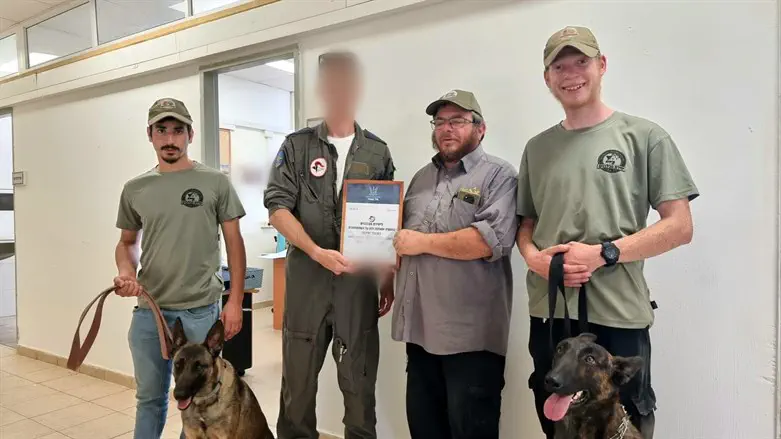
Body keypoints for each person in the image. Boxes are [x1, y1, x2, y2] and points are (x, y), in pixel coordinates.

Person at [516, 26, 699, 439]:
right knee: (554, 414)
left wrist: (604, 254)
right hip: (551, 309)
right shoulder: (537, 148)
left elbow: (680, 226)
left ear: (601, 66)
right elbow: (525, 224)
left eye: (581, 61)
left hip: (617, 312)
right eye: (558, 66)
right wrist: (533, 258)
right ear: (547, 78)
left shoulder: (644, 137)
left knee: (629, 421)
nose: (570, 73)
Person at [263, 50, 396, 439]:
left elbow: (386, 220)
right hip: (307, 281)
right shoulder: (297, 146)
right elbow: (277, 208)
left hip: (357, 286)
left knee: (359, 386)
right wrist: (317, 251)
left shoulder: (377, 151)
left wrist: (386, 277)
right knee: (298, 389)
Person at [113, 97, 248, 439]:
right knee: (150, 400)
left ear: (190, 134)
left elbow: (234, 243)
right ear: (150, 134)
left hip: (200, 311)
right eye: (162, 130)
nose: (169, 138)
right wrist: (126, 272)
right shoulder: (135, 188)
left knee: (202, 401)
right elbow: (127, 242)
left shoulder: (215, 182)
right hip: (151, 312)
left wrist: (234, 302)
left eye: (177, 130)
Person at [389, 89, 519, 439]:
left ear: (480, 128)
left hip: (471, 338)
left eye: (458, 121)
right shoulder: (419, 179)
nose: (447, 129)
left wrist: (420, 242)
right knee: (425, 429)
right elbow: (397, 243)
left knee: (470, 431)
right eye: (441, 121)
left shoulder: (499, 176)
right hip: (419, 333)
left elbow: (487, 241)